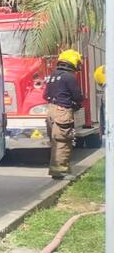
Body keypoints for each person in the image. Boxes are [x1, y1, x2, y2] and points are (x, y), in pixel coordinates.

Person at [43, 49, 84, 179]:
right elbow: (77, 96)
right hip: (63, 112)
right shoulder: (69, 77)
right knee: (63, 142)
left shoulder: (52, 75)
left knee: (55, 141)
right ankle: (59, 172)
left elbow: (45, 95)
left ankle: (59, 169)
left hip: (51, 111)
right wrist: (75, 104)